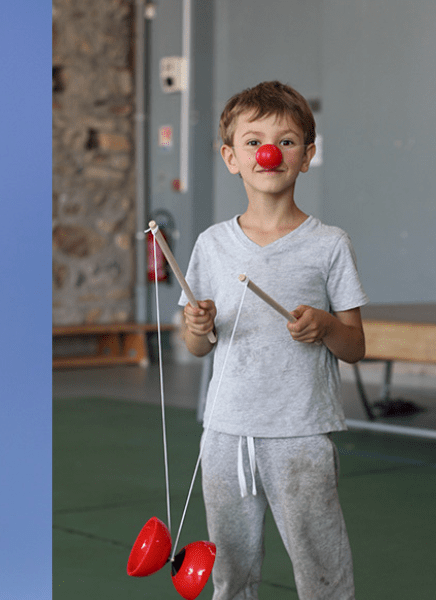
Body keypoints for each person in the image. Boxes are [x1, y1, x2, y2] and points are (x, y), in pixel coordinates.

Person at [179, 81, 367, 599]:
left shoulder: (329, 245)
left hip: (300, 433)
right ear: (231, 157)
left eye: (287, 141)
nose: (269, 151)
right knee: (231, 572)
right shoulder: (211, 245)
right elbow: (198, 347)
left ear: (307, 157)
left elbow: (355, 345)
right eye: (254, 140)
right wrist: (197, 328)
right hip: (224, 434)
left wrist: (327, 326)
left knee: (322, 570)